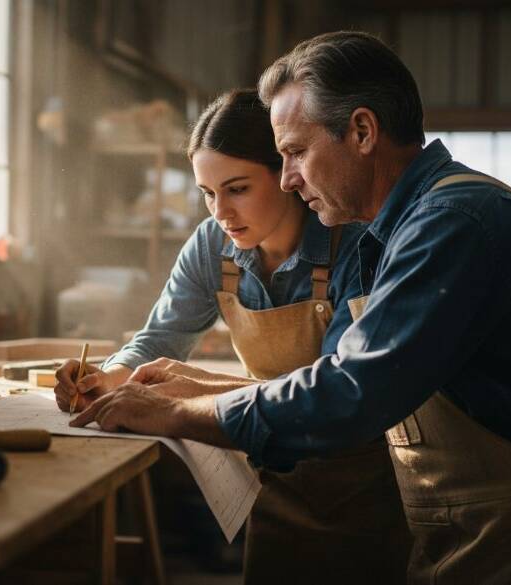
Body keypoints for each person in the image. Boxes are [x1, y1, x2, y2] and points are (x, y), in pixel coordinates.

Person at [71, 32, 511, 584]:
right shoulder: (402, 226)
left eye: (296, 152)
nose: (287, 178)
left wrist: (178, 411)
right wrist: (192, 389)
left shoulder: (451, 223)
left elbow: (351, 390)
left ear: (362, 131)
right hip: (466, 517)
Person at [55, 88, 411, 583]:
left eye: (237, 188)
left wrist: (187, 395)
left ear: (286, 173)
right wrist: (109, 377)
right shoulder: (212, 245)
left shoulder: (353, 246)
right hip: (271, 468)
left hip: (359, 482)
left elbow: (336, 391)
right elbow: (159, 337)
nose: (220, 211)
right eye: (207, 192)